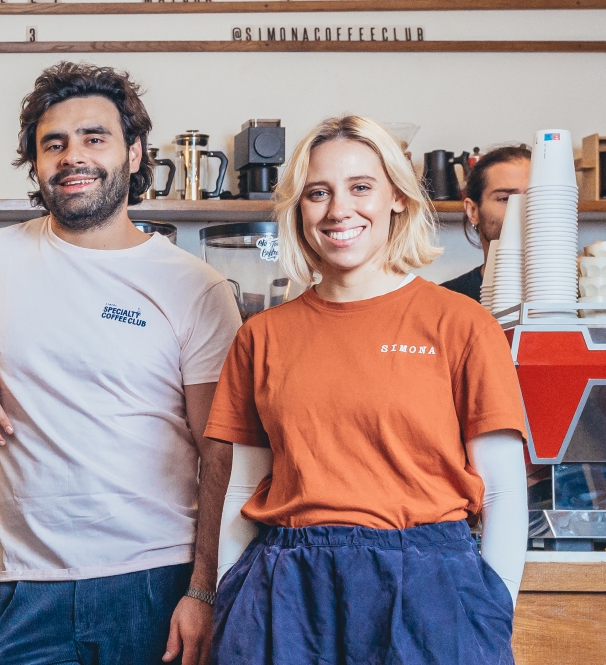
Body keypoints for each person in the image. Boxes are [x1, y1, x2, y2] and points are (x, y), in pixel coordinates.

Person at [0, 62, 241, 665]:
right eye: (54, 144)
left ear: (134, 153)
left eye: (95, 138)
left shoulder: (193, 286)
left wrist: (203, 590)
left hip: (154, 579)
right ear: (35, 162)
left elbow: (220, 452)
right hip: (26, 586)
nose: (73, 157)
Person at [206, 115, 529, 664]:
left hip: (429, 586)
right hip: (286, 588)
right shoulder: (261, 337)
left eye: (360, 187)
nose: (339, 210)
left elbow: (501, 491)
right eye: (318, 193)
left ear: (398, 197)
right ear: (299, 208)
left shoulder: (461, 324)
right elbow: (241, 490)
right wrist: (227, 600)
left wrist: (492, 616)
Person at [441, 145, 531, 301]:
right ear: (473, 211)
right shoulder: (446, 300)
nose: (523, 209)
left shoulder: (574, 292)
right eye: (505, 199)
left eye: (534, 197)